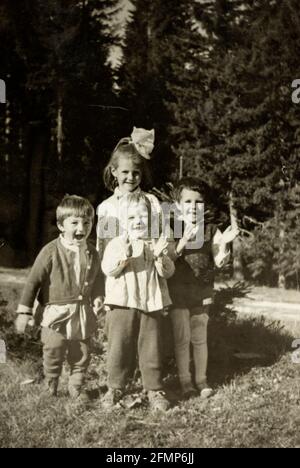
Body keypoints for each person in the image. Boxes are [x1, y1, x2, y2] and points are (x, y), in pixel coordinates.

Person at [15, 195, 104, 399]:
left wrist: (98, 296)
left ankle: (76, 386)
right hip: (55, 312)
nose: (81, 228)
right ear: (61, 225)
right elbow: (33, 281)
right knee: (53, 348)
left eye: (87, 222)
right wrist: (24, 312)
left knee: (81, 352)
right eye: (74, 223)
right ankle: (51, 383)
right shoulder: (50, 251)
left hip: (81, 312)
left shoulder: (92, 252)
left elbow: (99, 278)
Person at [101, 192, 175, 411]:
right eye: (131, 218)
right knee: (119, 347)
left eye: (143, 216)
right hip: (122, 303)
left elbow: (167, 272)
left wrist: (161, 257)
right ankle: (115, 387)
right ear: (123, 221)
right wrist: (122, 259)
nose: (138, 221)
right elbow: (108, 269)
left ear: (151, 219)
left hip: (150, 302)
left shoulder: (155, 243)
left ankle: (153, 388)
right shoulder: (116, 243)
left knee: (151, 347)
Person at [168, 177, 239, 399]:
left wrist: (225, 242)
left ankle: (201, 380)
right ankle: (185, 382)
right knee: (181, 339)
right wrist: (182, 242)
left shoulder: (211, 230)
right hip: (178, 293)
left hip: (202, 292)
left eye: (198, 202)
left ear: (204, 205)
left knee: (199, 338)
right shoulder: (172, 228)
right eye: (187, 201)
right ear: (178, 205)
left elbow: (219, 262)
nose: (193, 207)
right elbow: (167, 259)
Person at [96, 127, 162, 261]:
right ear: (114, 171)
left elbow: (161, 236)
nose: (131, 177)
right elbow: (101, 245)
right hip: (117, 271)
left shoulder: (151, 201)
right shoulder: (106, 207)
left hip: (146, 268)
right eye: (125, 172)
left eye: (136, 173)